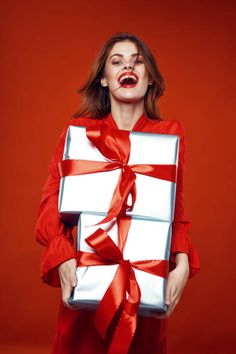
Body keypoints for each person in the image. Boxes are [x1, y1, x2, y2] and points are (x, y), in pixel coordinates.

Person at [35, 32, 200, 354]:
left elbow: (173, 211)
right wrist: (62, 254)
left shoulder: (169, 136)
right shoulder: (79, 133)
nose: (129, 66)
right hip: (87, 274)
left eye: (138, 61)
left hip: (144, 281)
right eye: (117, 61)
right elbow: (50, 203)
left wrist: (181, 263)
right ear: (104, 79)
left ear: (150, 78)